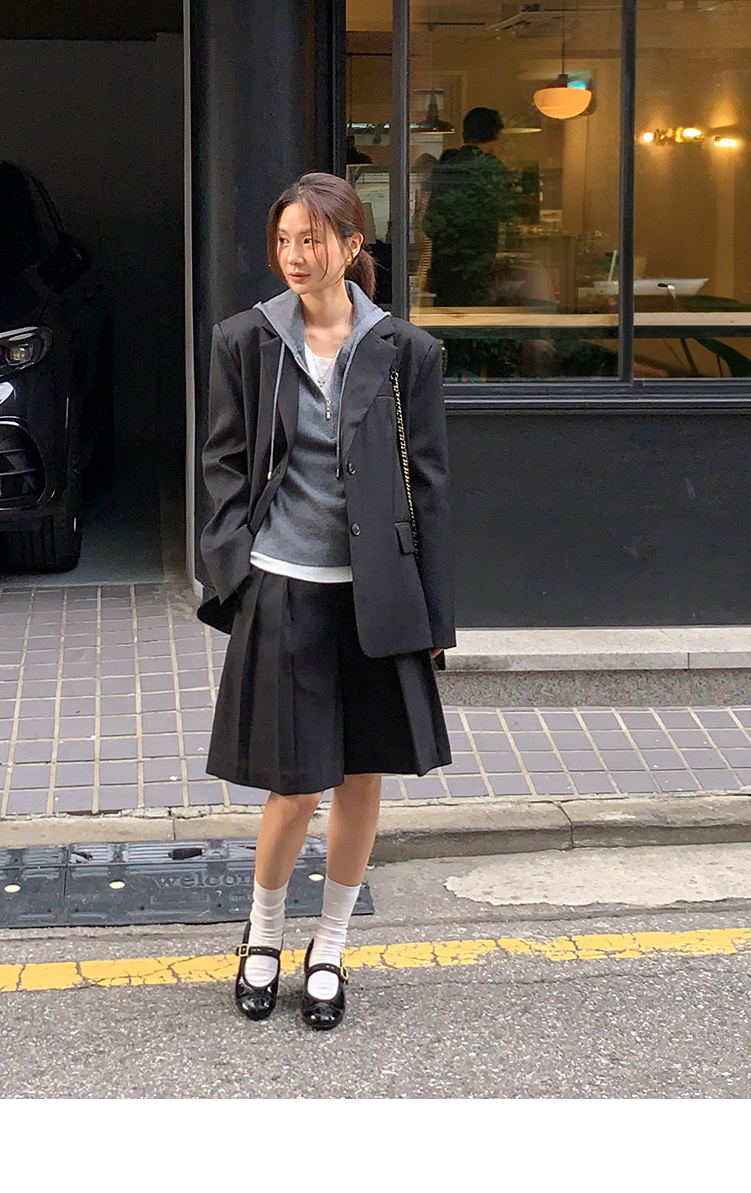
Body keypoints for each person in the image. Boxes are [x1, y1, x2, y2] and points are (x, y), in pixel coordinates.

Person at [199, 170, 453, 1034]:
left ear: (351, 245)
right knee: (294, 786)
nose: (295, 256)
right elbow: (223, 465)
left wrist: (434, 615)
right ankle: (264, 933)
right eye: (284, 240)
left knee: (360, 779)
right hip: (284, 587)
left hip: (375, 597)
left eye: (312, 240)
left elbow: (430, 487)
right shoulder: (246, 340)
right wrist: (234, 569)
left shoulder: (406, 352)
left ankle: (332, 944)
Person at [422, 106, 523, 305]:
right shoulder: (493, 169)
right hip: (478, 271)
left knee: (446, 321)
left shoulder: (447, 168)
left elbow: (429, 224)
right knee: (479, 319)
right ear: (496, 136)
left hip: (445, 272)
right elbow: (511, 214)